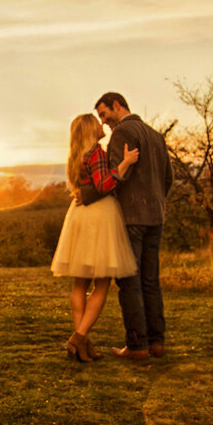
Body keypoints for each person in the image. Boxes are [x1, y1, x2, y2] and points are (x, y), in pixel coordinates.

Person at [49, 113, 139, 361]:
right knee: (102, 283)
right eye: (97, 123)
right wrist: (125, 163)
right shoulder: (96, 152)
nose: (102, 126)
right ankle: (78, 338)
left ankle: (81, 344)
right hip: (99, 216)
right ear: (91, 129)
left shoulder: (76, 156)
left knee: (80, 284)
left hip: (80, 216)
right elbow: (103, 185)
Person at [94, 92, 172, 361]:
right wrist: (156, 201)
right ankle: (157, 342)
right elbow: (168, 178)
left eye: (104, 114)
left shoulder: (121, 134)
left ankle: (137, 346)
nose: (104, 123)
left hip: (130, 218)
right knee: (151, 281)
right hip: (156, 216)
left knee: (129, 282)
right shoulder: (156, 136)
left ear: (117, 105)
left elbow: (117, 178)